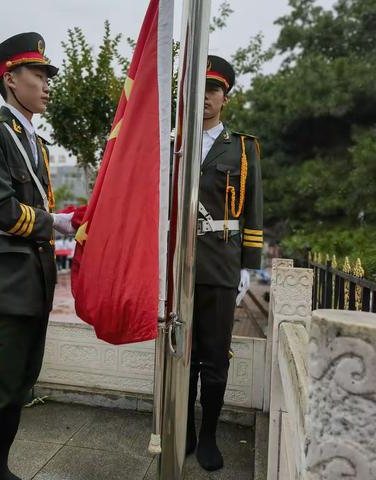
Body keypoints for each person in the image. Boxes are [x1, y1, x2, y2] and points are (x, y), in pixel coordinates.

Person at [0, 32, 74, 480]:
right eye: (39, 74)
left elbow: (35, 207)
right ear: (10, 79)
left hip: (33, 282)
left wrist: (58, 218)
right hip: (2, 281)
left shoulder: (36, 144)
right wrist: (53, 222)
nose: (47, 84)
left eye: (49, 76)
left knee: (18, 387)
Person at [186, 56, 264, 471]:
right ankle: (183, 428)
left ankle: (210, 434)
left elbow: (253, 209)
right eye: (200, 90)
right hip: (179, 265)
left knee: (214, 354)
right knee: (181, 352)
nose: (207, 97)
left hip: (220, 263)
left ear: (224, 97)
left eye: (214, 90)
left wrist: (248, 265)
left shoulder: (243, 147)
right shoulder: (174, 143)